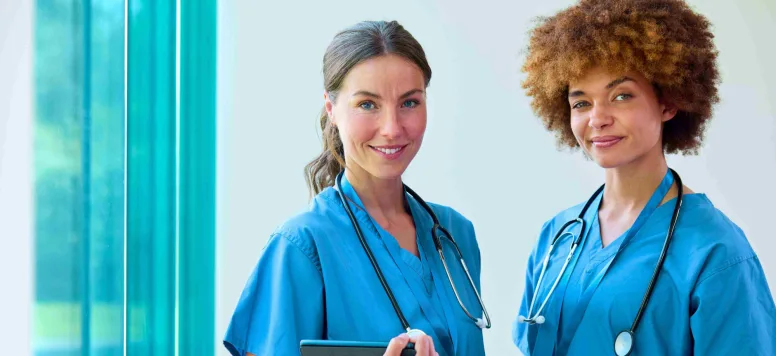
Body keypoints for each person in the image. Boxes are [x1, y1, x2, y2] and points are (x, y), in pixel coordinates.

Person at [512, 0, 776, 355]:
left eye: (621, 96)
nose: (597, 119)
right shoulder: (558, 236)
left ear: (668, 103)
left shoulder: (715, 252)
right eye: (581, 103)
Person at [223, 20, 489, 356]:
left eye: (409, 102)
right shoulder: (303, 247)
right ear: (331, 109)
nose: (392, 128)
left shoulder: (454, 234)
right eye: (367, 104)